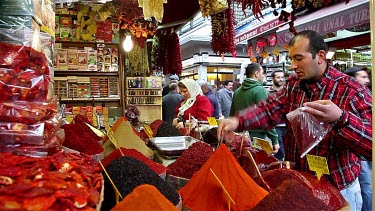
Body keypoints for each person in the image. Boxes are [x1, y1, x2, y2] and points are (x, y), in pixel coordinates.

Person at [217, 30, 372, 210]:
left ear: (320, 56)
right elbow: (270, 109)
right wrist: (238, 121)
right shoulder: (294, 86)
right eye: (291, 59)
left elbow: (370, 144)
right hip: (300, 186)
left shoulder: (351, 90)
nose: (292, 65)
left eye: (298, 58)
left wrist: (341, 119)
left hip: (338, 190)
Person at [230, 63, 280, 154]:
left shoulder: (237, 92)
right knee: (256, 164)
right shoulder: (260, 90)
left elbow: (232, 114)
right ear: (256, 74)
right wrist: (274, 140)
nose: (263, 75)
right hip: (257, 138)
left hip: (240, 137)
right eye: (262, 73)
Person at [344, 66, 372, 211]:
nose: (367, 80)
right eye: (363, 77)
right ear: (352, 79)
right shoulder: (349, 98)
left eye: (367, 77)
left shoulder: (367, 95)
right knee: (367, 185)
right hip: (357, 150)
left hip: (366, 146)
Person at [267, 69, 286, 160]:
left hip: (288, 125)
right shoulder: (267, 93)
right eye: (278, 77)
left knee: (288, 150)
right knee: (279, 151)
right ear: (273, 79)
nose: (281, 79)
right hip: (276, 127)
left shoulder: (287, 92)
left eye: (282, 77)